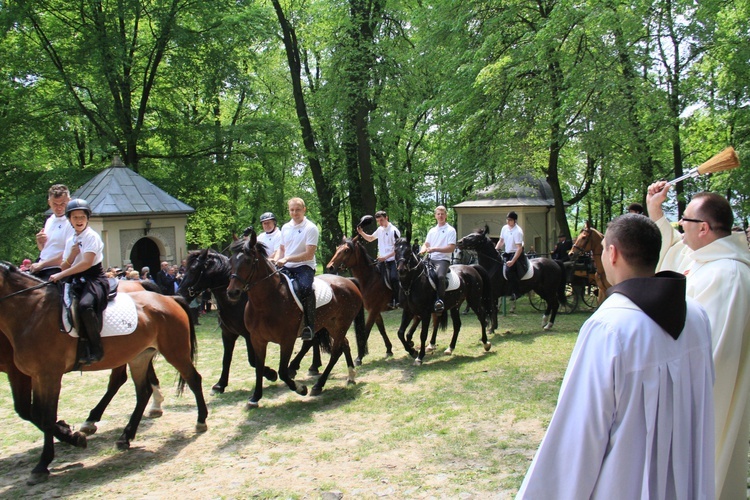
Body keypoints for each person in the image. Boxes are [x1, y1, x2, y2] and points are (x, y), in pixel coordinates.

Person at [517, 214, 715, 498]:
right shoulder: (697, 315)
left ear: (612, 253)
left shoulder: (609, 328)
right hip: (686, 477)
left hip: (627, 484)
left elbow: (580, 432)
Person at [647, 182, 750, 500]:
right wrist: (655, 211)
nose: (680, 226)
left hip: (703, 403)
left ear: (704, 228)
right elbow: (671, 253)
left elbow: (717, 353)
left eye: (685, 221)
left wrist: (670, 394)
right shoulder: (705, 261)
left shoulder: (727, 276)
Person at [49, 199, 110, 366]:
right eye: (75, 217)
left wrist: (61, 275)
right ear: (70, 219)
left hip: (93, 279)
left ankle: (96, 348)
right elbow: (64, 265)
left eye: (82, 216)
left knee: (85, 306)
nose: (79, 220)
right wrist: (71, 255)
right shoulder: (71, 240)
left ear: (87, 218)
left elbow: (86, 263)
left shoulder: (92, 236)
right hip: (75, 279)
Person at [274, 197, 319, 341]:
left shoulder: (311, 228)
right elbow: (281, 248)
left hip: (304, 266)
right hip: (285, 266)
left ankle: (309, 326)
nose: (295, 213)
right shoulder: (286, 227)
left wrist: (287, 258)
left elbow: (309, 254)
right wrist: (276, 260)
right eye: (292, 210)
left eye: (298, 209)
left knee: (306, 289)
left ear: (304, 209)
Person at [29, 184, 75, 280]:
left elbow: (69, 254)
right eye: (55, 204)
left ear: (69, 201)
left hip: (58, 270)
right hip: (42, 266)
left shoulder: (72, 222)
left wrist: (42, 264)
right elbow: (46, 250)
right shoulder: (50, 220)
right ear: (49, 202)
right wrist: (40, 243)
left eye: (63, 204)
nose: (59, 208)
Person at [357, 210, 401, 308]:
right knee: (373, 277)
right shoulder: (380, 229)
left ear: (386, 218)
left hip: (392, 260)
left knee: (394, 277)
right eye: (378, 221)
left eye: (381, 220)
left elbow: (397, 250)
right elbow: (371, 238)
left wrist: (385, 257)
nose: (380, 223)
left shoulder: (394, 230)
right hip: (382, 260)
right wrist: (361, 232)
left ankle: (396, 299)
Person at [420, 205, 456, 313]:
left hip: (443, 259)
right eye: (438, 214)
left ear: (446, 215)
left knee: (440, 277)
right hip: (430, 258)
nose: (440, 216)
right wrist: (422, 250)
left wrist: (435, 249)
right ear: (435, 216)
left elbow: (451, 247)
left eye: (442, 214)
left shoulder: (450, 230)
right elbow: (426, 244)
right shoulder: (432, 230)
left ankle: (440, 301)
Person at [495, 211, 527, 301]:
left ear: (515, 221)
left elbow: (519, 248)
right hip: (507, 252)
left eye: (510, 220)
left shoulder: (518, 231)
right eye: (507, 219)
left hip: (516, 253)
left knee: (509, 270)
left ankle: (516, 292)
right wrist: (496, 250)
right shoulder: (504, 228)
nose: (508, 221)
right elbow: (501, 241)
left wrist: (513, 261)